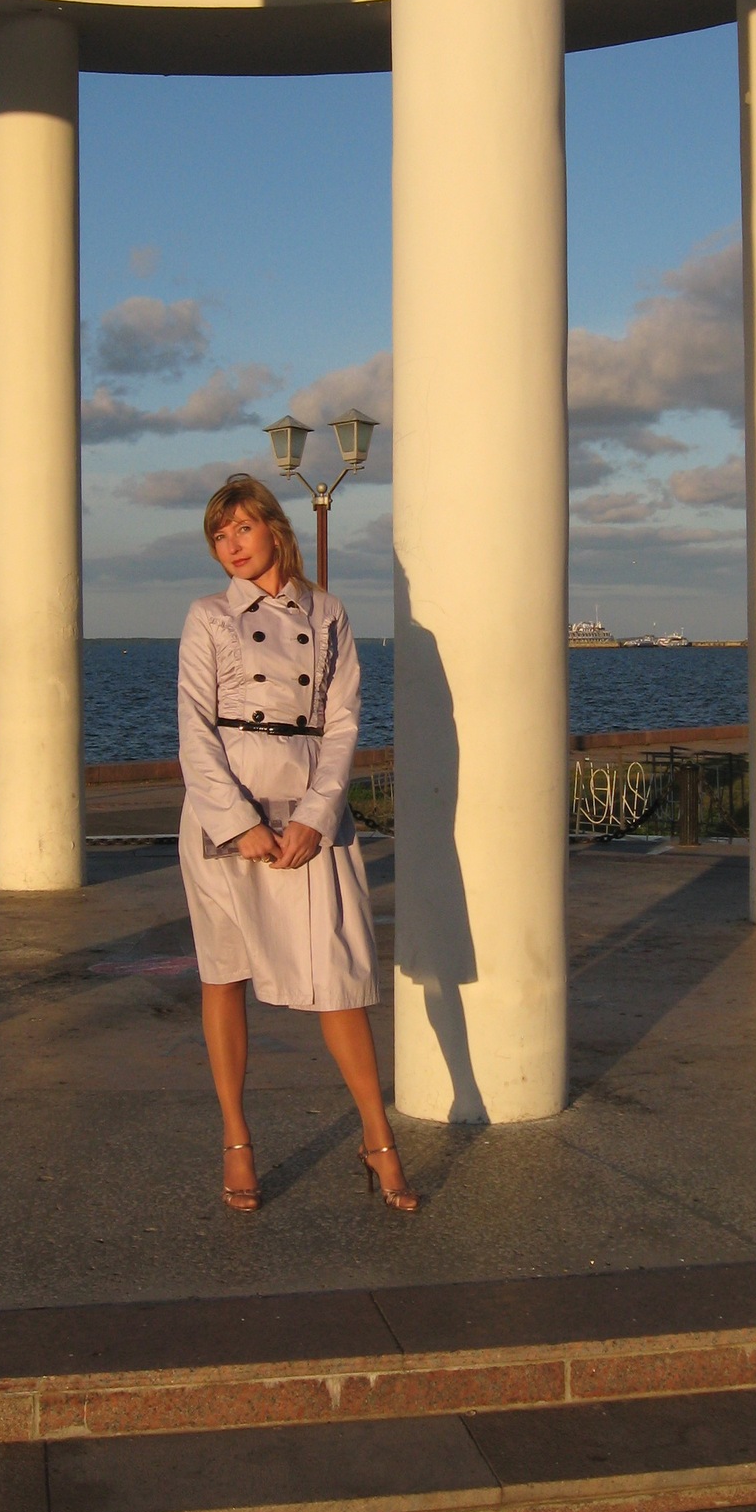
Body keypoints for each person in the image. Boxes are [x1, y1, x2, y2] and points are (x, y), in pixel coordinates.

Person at [177, 473, 418, 1216]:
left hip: (311, 805)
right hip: (227, 810)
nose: (231, 546)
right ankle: (236, 1138)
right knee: (224, 973)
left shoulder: (329, 613)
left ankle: (377, 1136)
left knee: (338, 974)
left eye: (242, 528)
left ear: (274, 528)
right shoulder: (208, 617)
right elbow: (194, 729)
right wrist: (238, 822)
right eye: (219, 536)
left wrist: (315, 816)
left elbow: (344, 724)